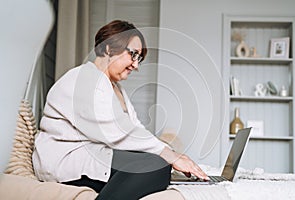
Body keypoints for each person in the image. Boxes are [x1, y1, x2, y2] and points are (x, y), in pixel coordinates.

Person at [32, 20, 209, 200]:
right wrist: (171, 156)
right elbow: (116, 133)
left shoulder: (116, 89)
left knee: (158, 164)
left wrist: (170, 153)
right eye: (133, 55)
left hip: (96, 154)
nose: (136, 65)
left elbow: (135, 129)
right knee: (157, 166)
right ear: (109, 49)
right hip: (67, 160)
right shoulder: (83, 79)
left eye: (139, 58)